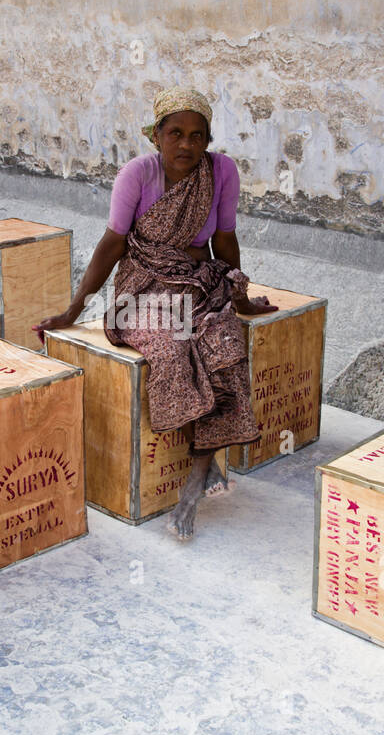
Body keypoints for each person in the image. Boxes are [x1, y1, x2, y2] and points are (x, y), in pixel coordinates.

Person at [35, 86, 275, 541]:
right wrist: (74, 306)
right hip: (144, 287)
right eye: (176, 133)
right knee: (171, 345)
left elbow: (224, 241)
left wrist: (240, 296)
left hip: (198, 280)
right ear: (157, 136)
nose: (186, 144)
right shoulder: (137, 175)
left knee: (223, 342)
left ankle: (194, 480)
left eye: (197, 135)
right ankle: (202, 472)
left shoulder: (221, 171)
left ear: (208, 140)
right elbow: (112, 244)